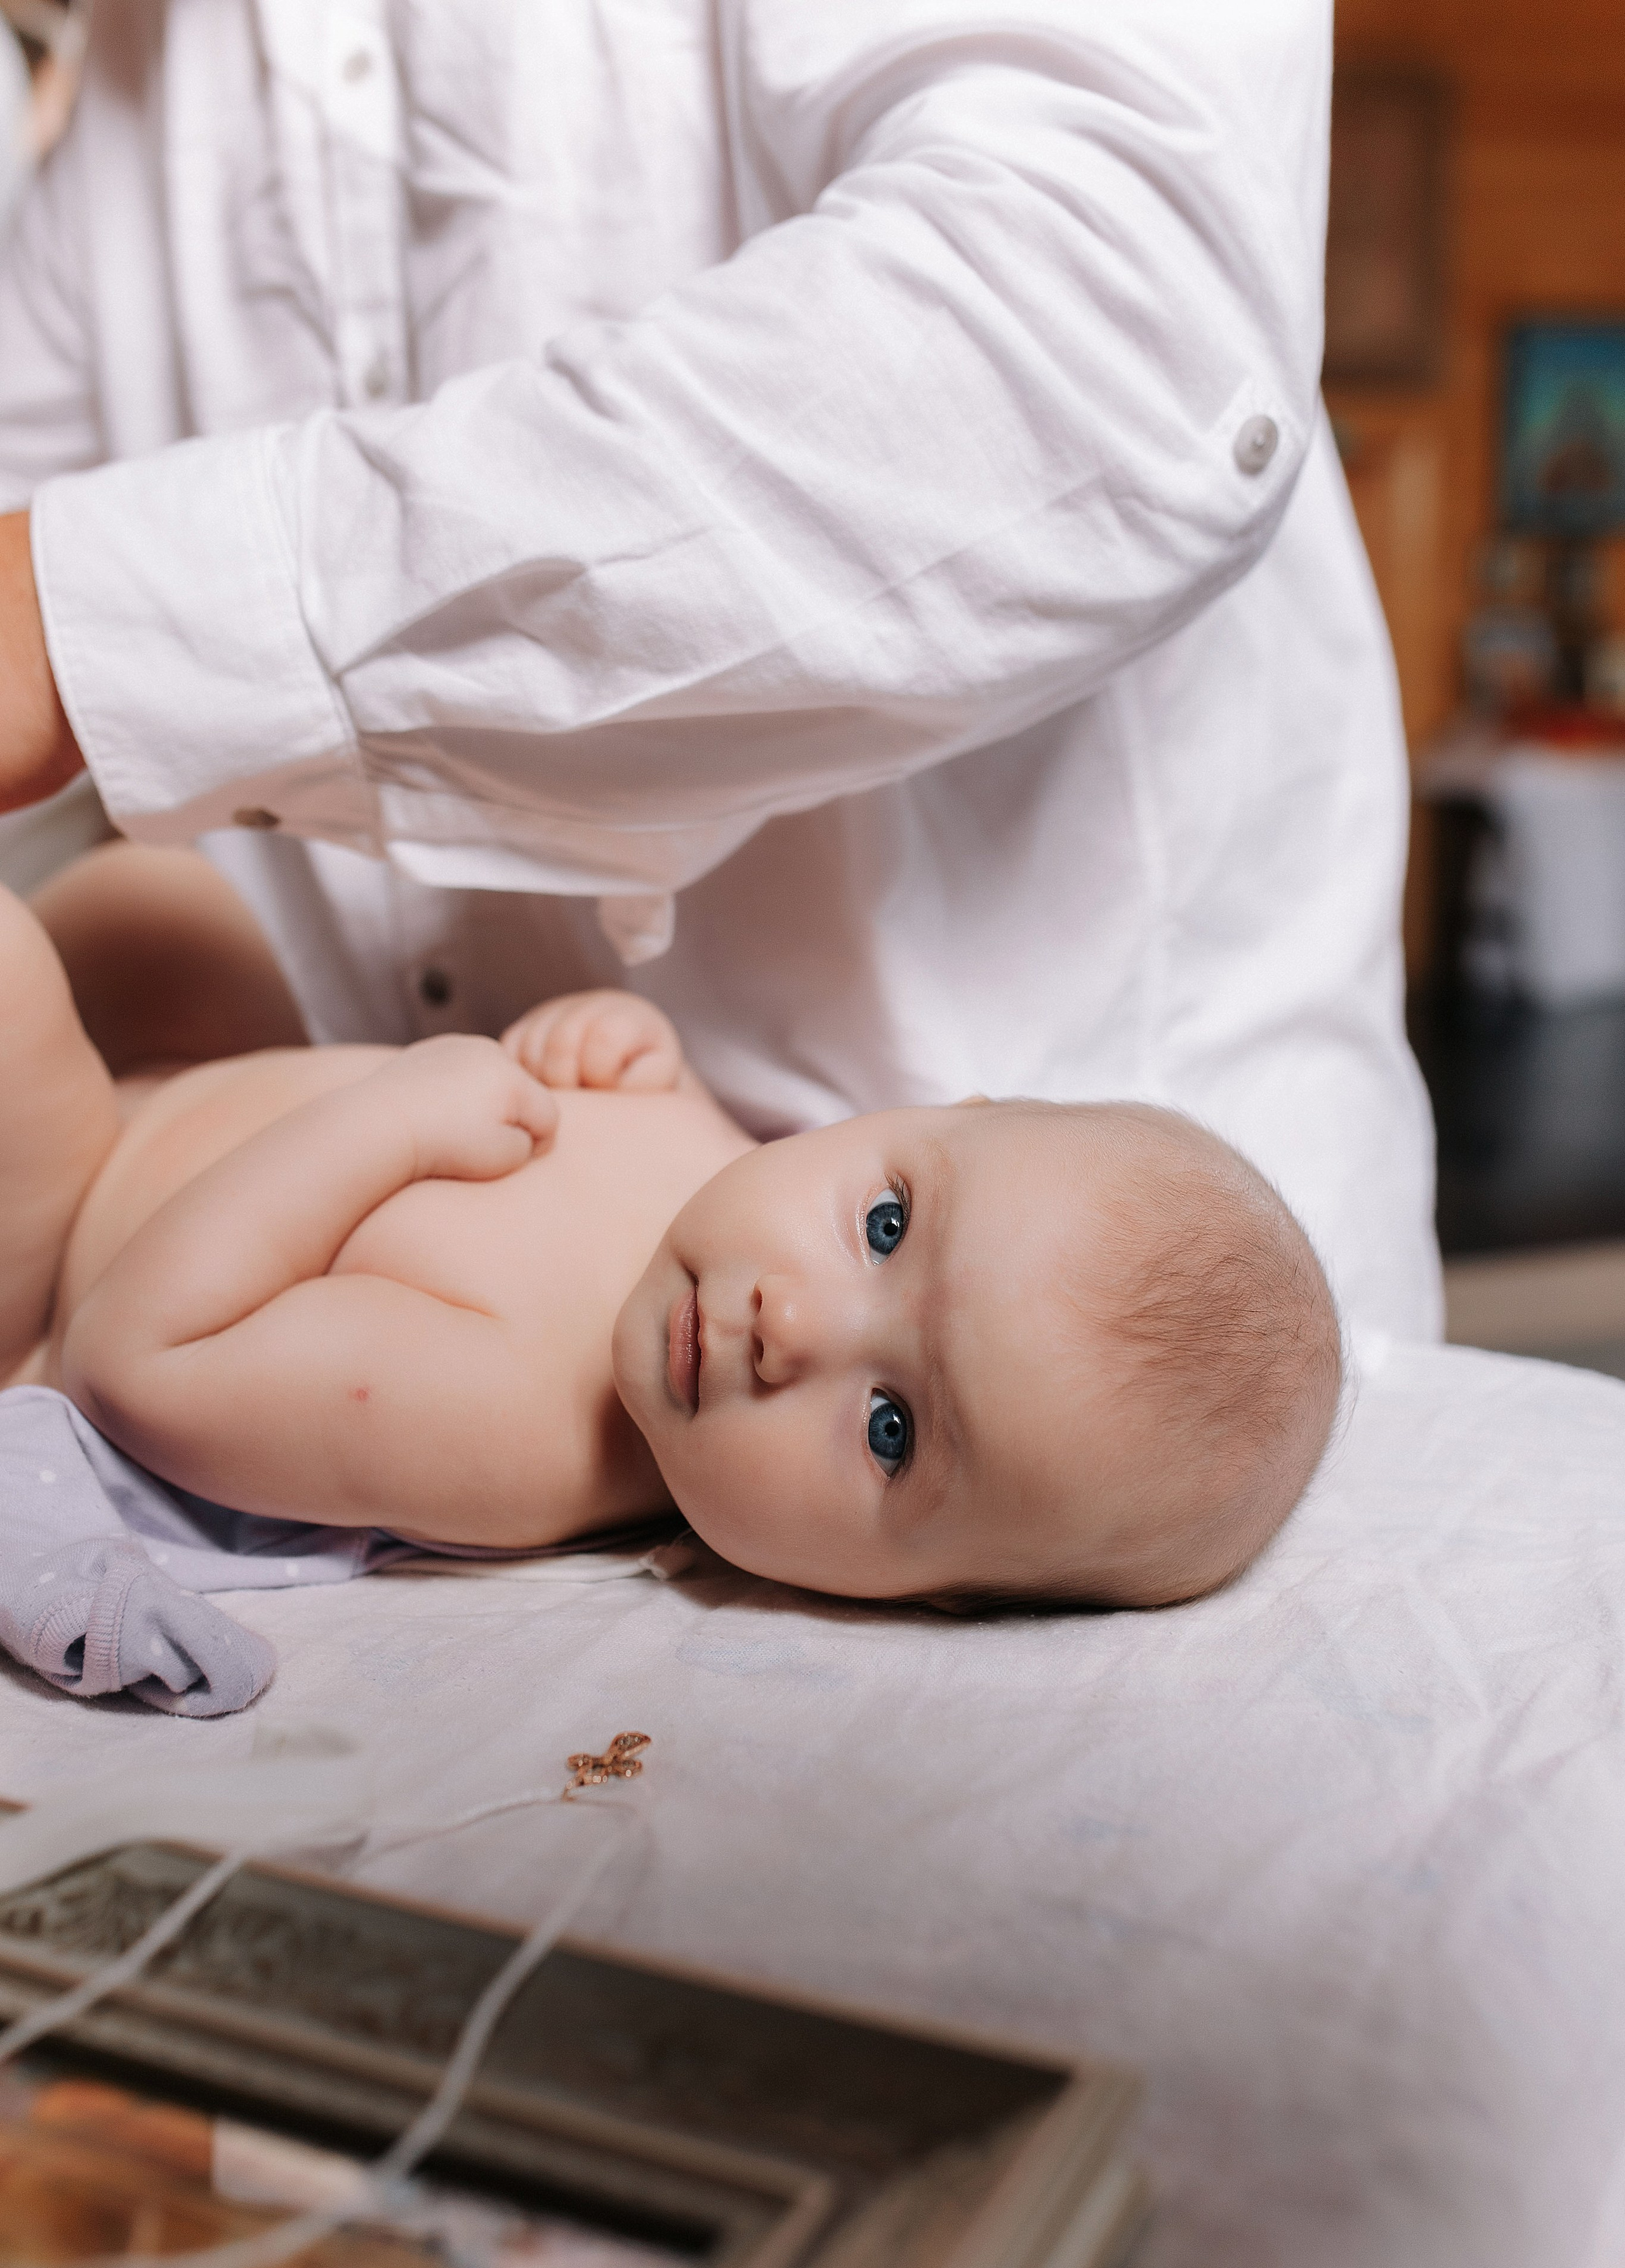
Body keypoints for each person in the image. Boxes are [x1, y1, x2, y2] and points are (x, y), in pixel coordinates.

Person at [0, 0, 1438, 1351]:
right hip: (380, 1387)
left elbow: (1099, 336)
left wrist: (91, 623)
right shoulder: (141, 58)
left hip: (1057, 1413)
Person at [2, 857, 1339, 1608]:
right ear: (934, 1109)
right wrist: (623, 1049)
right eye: (885, 1223)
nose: (792, 1326)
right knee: (164, 896)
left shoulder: (522, 1437)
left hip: (61, 1257)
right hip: (190, 1088)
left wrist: (400, 1123)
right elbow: (616, 1136)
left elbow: (141, 1356)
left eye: (892, 1429)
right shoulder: (724, 1206)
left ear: (912, 1597)